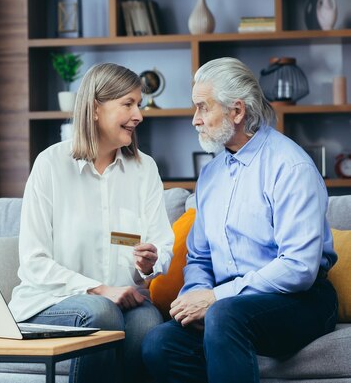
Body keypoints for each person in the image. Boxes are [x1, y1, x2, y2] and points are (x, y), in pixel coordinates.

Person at [142, 57, 338, 383]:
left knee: (224, 316)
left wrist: (217, 298)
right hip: (230, 307)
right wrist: (197, 297)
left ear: (236, 111)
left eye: (203, 108)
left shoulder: (290, 167)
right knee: (158, 343)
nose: (195, 120)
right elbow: (200, 258)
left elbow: (299, 268)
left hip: (301, 300)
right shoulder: (210, 176)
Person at [8, 63, 174, 383]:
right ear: (95, 108)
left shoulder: (144, 169)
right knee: (101, 312)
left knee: (147, 324)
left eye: (138, 104)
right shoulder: (50, 165)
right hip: (51, 302)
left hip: (125, 302)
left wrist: (151, 261)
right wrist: (100, 289)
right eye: (128, 104)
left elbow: (162, 243)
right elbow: (33, 261)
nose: (138, 114)